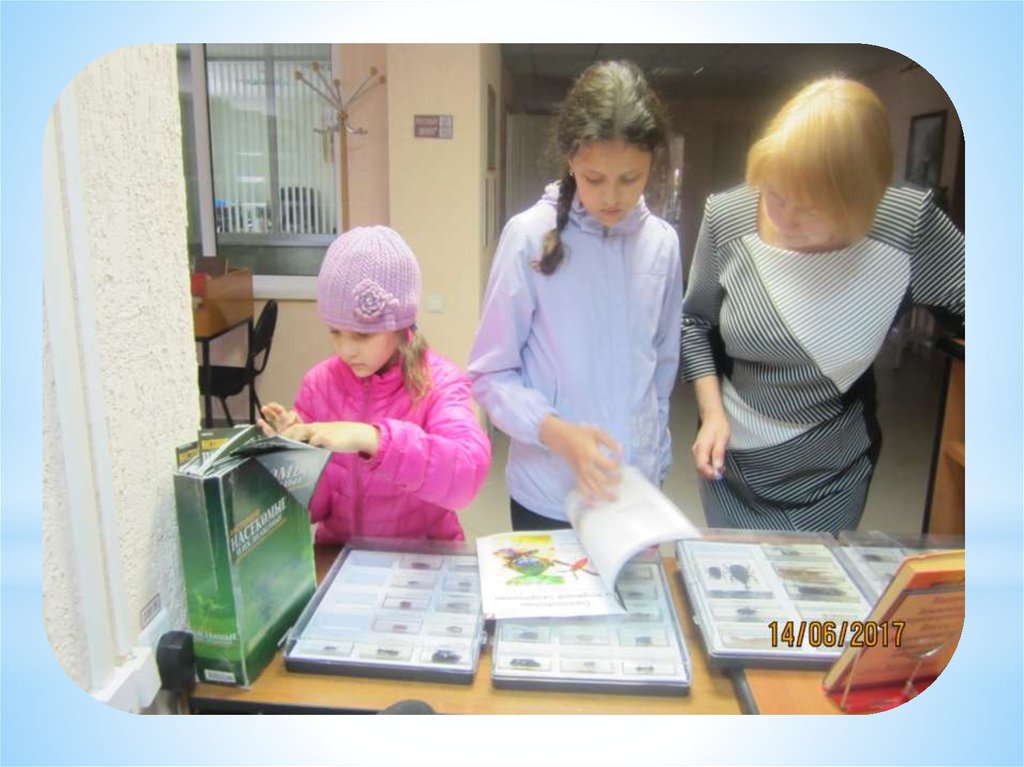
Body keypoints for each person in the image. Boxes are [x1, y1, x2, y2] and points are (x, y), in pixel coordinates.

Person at [681, 77, 965, 534]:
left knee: (812, 579)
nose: (784, 218)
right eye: (775, 194)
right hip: (731, 458)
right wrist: (712, 413)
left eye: (809, 208)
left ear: (862, 201)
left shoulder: (904, 225)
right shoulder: (728, 217)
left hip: (833, 468)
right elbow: (694, 322)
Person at [467, 60, 683, 530]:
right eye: (594, 178)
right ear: (570, 160)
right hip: (549, 495)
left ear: (652, 163)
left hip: (633, 488)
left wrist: (655, 463)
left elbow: (662, 370)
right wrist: (555, 432)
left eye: (630, 178)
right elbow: (489, 374)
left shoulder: (662, 244)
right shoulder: (528, 236)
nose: (612, 197)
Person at [258, 226, 491, 544]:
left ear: (401, 325)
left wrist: (371, 438)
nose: (346, 350)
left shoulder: (440, 382)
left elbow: (466, 478)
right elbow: (315, 509)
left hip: (422, 557)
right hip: (342, 557)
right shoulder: (319, 384)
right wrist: (292, 459)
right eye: (335, 332)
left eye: (362, 335)